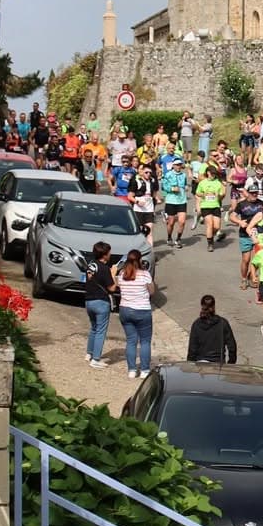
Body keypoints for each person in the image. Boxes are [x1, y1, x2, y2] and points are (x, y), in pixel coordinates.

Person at [116, 251, 154, 379]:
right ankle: (144, 370)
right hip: (142, 310)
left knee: (131, 341)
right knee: (145, 341)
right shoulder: (144, 275)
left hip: (125, 310)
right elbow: (152, 291)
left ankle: (132, 370)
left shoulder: (122, 274)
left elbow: (118, 286)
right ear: (139, 260)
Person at [79, 241, 117, 368]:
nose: (110, 254)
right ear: (105, 254)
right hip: (101, 302)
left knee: (94, 328)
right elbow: (112, 288)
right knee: (101, 330)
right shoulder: (104, 269)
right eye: (109, 252)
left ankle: (89, 353)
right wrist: (113, 275)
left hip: (89, 301)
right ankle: (95, 359)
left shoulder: (91, 265)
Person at [187, 294, 238, 365]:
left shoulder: (196, 324)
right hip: (218, 365)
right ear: (214, 306)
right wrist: (231, 364)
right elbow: (232, 347)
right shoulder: (223, 323)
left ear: (202, 306)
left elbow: (192, 350)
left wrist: (190, 366)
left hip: (201, 367)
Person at [195, 161, 226, 249]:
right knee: (209, 224)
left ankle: (210, 236)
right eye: (211, 174)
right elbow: (198, 193)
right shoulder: (202, 183)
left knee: (216, 226)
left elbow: (222, 194)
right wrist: (204, 195)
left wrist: (218, 195)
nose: (213, 175)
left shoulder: (218, 183)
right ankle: (210, 244)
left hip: (216, 206)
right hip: (205, 206)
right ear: (208, 173)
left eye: (214, 174)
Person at [160, 157, 189, 244]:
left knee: (182, 222)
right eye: (177, 165)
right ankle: (169, 237)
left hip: (182, 201)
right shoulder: (168, 175)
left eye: (180, 165)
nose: (178, 166)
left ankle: (178, 239)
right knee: (171, 222)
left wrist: (185, 187)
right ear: (173, 166)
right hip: (171, 201)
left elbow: (184, 184)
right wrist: (172, 188)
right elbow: (163, 187)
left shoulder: (183, 175)